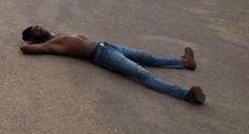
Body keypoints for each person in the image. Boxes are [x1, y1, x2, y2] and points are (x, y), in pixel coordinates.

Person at [19, 25, 205, 105]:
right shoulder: (49, 45)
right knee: (143, 74)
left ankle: (184, 63)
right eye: (35, 30)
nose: (39, 27)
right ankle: (186, 94)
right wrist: (32, 43)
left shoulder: (55, 36)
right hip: (102, 56)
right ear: (35, 38)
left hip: (107, 46)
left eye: (37, 25)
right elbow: (25, 49)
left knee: (149, 58)